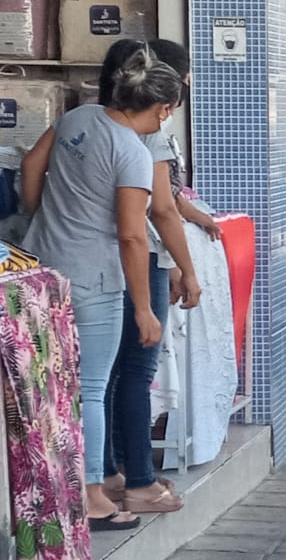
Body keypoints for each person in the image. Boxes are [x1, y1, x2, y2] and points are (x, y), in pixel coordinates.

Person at [21, 46, 183, 531]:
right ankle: (91, 494)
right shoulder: (132, 153)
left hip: (44, 266)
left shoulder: (78, 118)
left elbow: (32, 166)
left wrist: (41, 222)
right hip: (95, 279)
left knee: (53, 384)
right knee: (89, 389)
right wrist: (144, 309)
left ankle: (70, 485)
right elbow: (134, 235)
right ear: (163, 109)